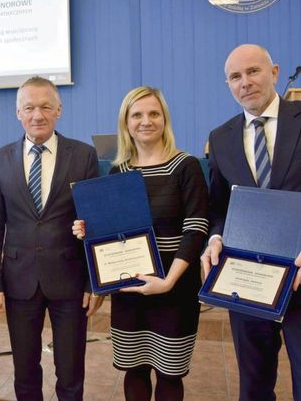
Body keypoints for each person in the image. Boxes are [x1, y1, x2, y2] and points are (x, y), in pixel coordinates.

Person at [73, 86, 209, 401]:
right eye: (137, 115)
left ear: (165, 119)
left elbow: (196, 228)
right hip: (130, 287)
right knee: (134, 370)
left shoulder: (185, 166)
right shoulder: (118, 171)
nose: (145, 121)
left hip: (175, 288)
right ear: (126, 122)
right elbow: (110, 229)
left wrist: (167, 281)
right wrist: (88, 229)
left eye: (153, 113)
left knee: (170, 374)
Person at [0, 76, 103, 400]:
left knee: (71, 374)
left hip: (71, 283)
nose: (38, 115)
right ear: (17, 112)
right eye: (29, 107)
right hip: (19, 282)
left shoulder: (84, 156)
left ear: (59, 110)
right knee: (25, 374)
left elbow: (97, 225)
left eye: (46, 106)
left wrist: (94, 283)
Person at [201, 44, 301, 401]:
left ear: (274, 71)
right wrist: (214, 238)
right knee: (254, 385)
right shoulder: (220, 137)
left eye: (253, 71)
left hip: (299, 278)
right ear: (227, 84)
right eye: (235, 76)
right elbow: (218, 207)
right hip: (247, 280)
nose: (245, 82)